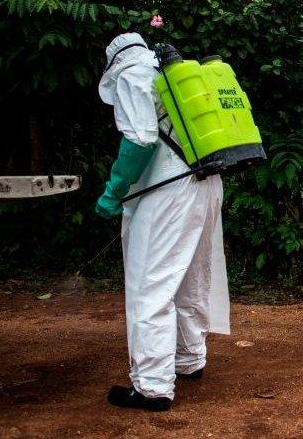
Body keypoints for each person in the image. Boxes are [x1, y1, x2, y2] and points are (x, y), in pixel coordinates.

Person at [95, 33, 229, 411]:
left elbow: (139, 140)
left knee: (150, 283)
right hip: (206, 180)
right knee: (189, 275)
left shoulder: (132, 76)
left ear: (113, 62)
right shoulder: (173, 75)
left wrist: (113, 190)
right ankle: (189, 359)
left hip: (170, 190)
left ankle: (152, 386)